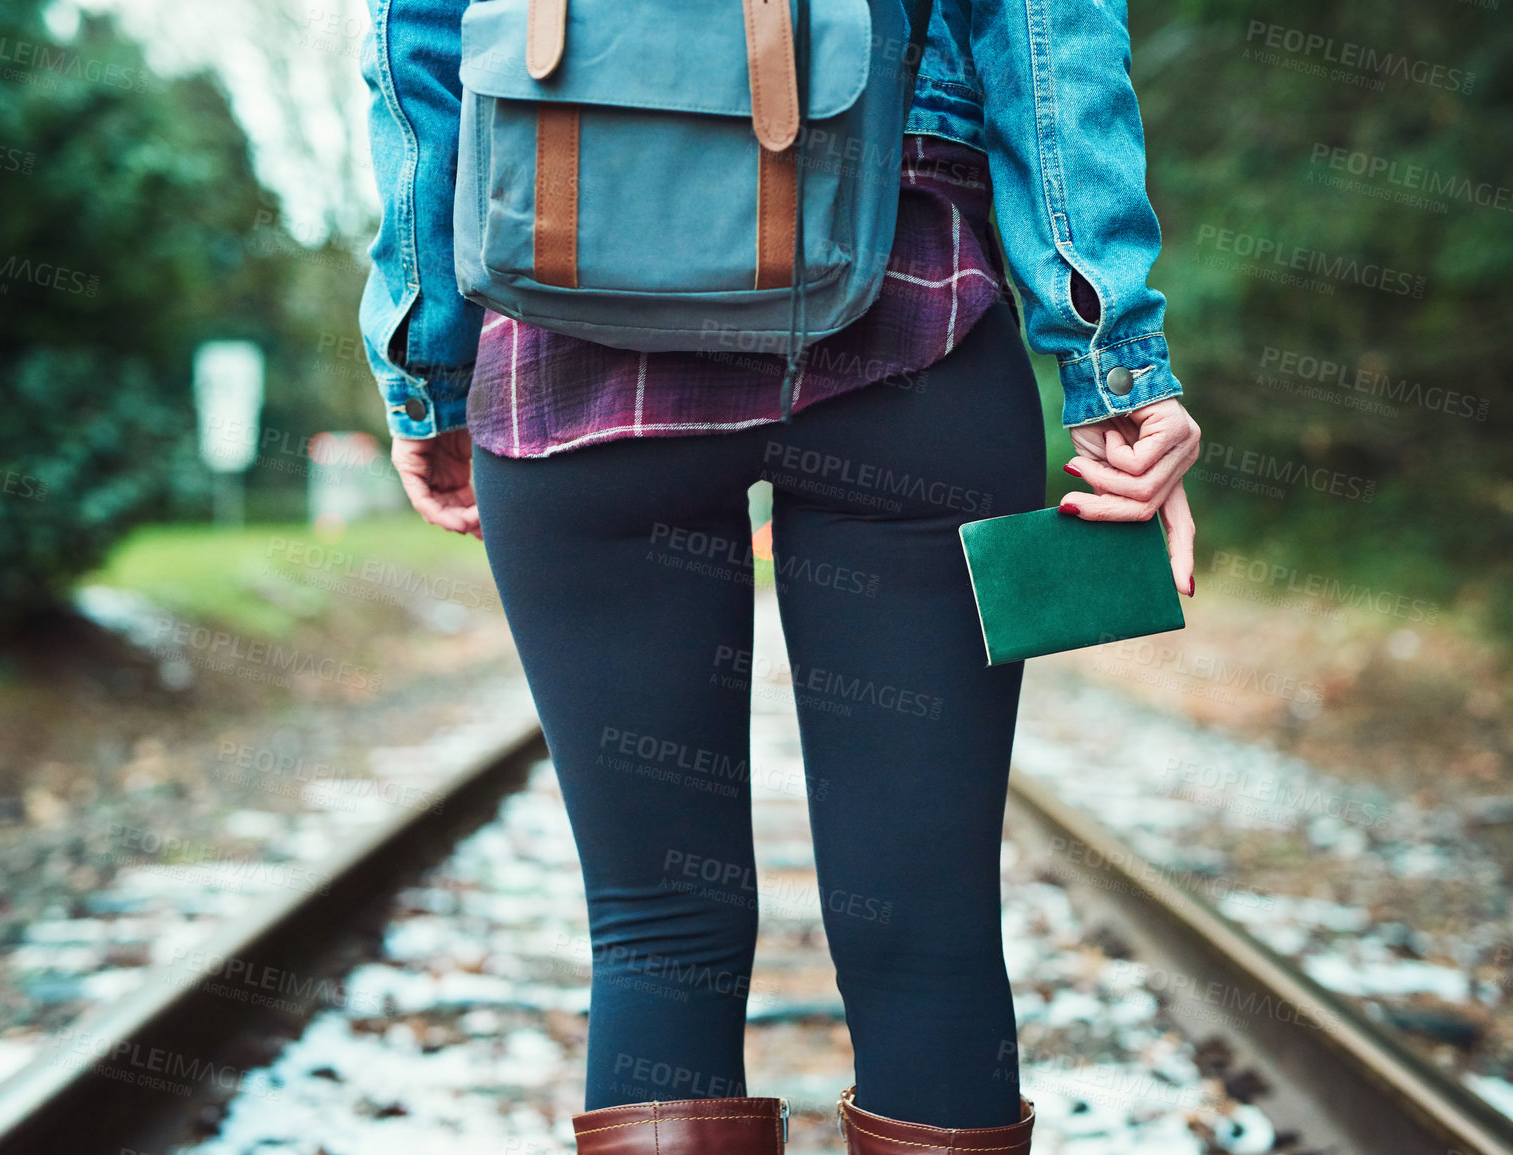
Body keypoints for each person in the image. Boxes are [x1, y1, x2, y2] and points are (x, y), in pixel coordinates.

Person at [359, 0, 1201, 1150]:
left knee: (656, 929)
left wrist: (426, 365)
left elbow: (419, 50)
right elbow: (1047, 29)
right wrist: (1114, 366)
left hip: (570, 324)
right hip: (909, 308)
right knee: (930, 928)